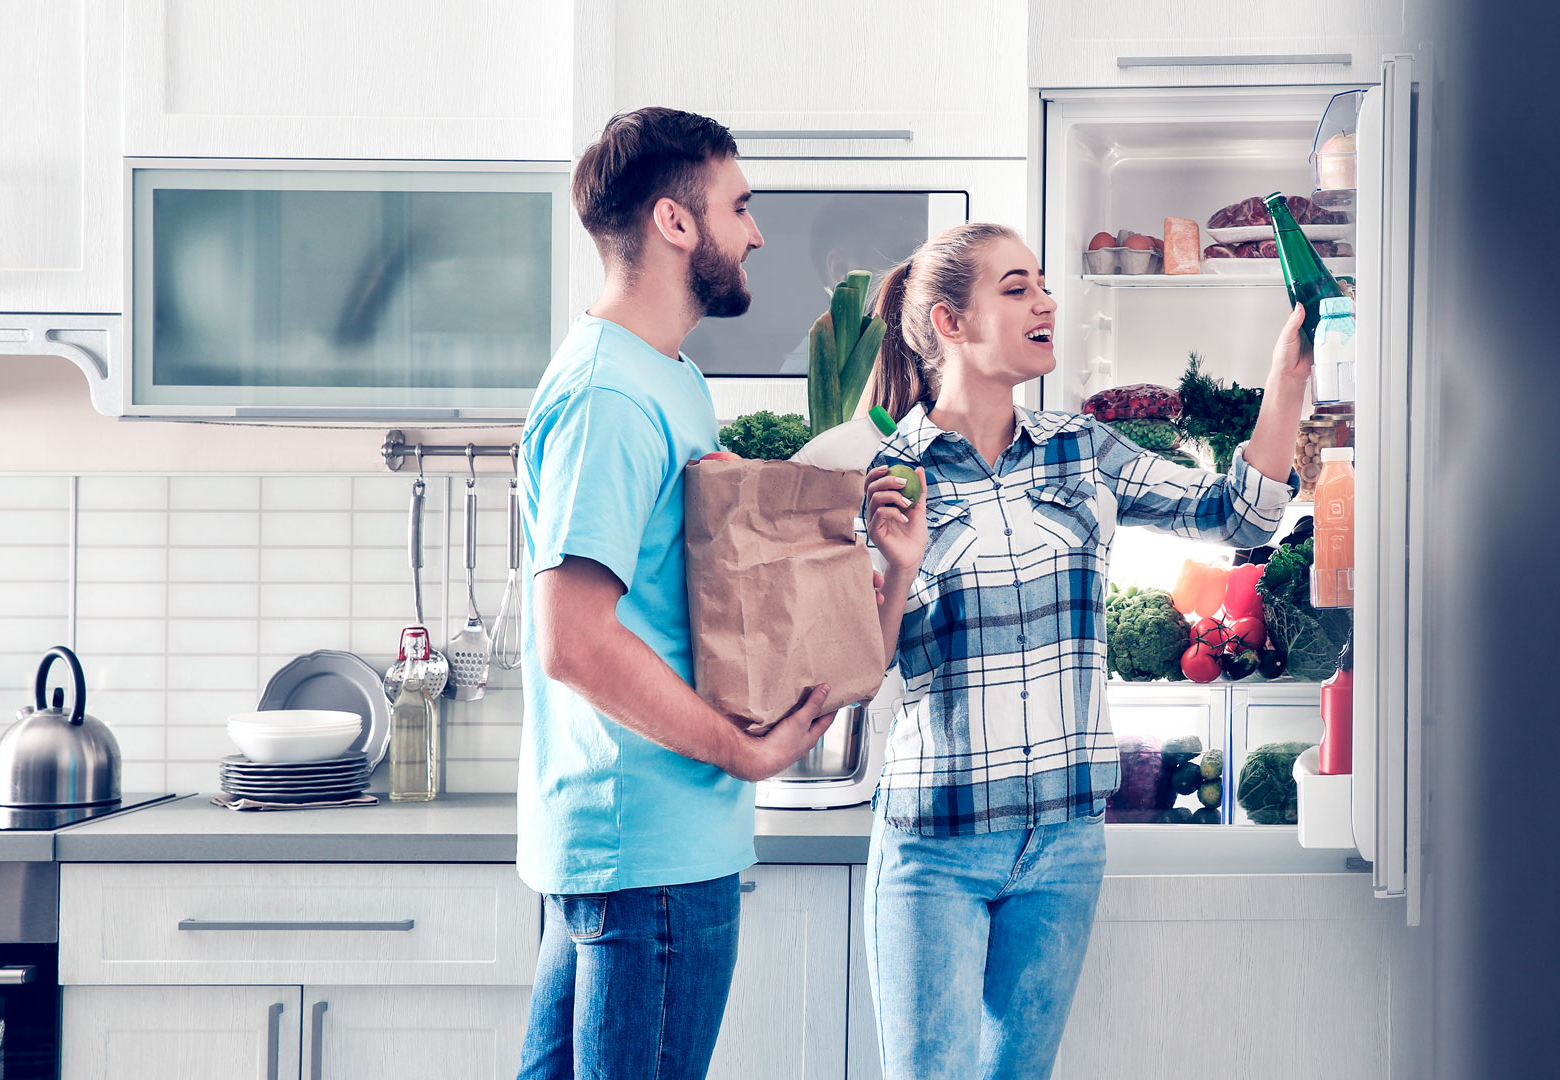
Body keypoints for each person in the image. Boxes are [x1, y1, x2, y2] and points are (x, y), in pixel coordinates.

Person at [824, 222, 1311, 1080]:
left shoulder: (1081, 451)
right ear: (950, 324)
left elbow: (1243, 516)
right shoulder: (886, 477)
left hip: (1065, 841)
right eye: (1016, 289)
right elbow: (857, 676)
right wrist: (897, 567)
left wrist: (1288, 376)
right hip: (937, 841)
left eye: (1044, 284)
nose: (1048, 301)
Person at [514, 107, 844, 1080]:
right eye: (739, 207)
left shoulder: (667, 379)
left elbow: (666, 568)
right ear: (674, 222)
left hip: (636, 843)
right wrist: (740, 754)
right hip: (649, 849)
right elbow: (572, 638)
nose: (756, 234)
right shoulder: (611, 394)